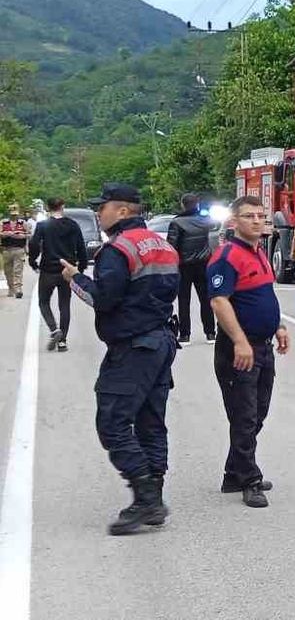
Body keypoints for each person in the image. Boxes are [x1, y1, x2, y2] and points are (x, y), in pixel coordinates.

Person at [62, 183, 179, 535]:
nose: (98, 214)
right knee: (151, 422)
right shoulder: (162, 245)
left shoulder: (118, 249)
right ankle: (154, 493)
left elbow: (103, 298)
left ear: (122, 211)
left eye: (103, 208)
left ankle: (146, 498)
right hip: (161, 341)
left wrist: (74, 279)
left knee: (112, 422)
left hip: (133, 347)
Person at [206, 195, 290, 508]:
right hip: (239, 349)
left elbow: (265, 295)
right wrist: (240, 341)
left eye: (260, 216)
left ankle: (234, 472)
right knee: (244, 416)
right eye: (249, 216)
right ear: (234, 222)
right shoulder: (226, 257)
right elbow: (219, 301)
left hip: (263, 346)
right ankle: (249, 480)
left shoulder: (259, 253)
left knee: (257, 414)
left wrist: (279, 326)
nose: (256, 221)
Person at [27, 197, 88, 352]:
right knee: (64, 305)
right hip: (67, 270)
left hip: (48, 269)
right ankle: (62, 342)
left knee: (43, 302)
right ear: (63, 206)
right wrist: (81, 267)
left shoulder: (43, 226)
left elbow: (34, 244)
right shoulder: (73, 225)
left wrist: (33, 261)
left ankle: (54, 329)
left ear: (48, 208)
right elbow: (81, 247)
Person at [166, 193, 218, 344]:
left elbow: (171, 246)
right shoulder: (205, 221)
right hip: (203, 263)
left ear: (182, 205)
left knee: (184, 300)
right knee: (206, 299)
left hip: (184, 265)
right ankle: (210, 333)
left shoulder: (177, 223)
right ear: (197, 204)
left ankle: (185, 335)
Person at [2, 202, 30, 298]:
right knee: (8, 271)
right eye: (12, 214)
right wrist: (5, 234)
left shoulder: (23, 223)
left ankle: (18, 289)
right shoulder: (3, 223)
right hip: (6, 249)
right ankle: (11, 288)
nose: (14, 216)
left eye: (15, 214)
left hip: (19, 249)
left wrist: (22, 236)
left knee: (17, 270)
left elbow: (29, 234)